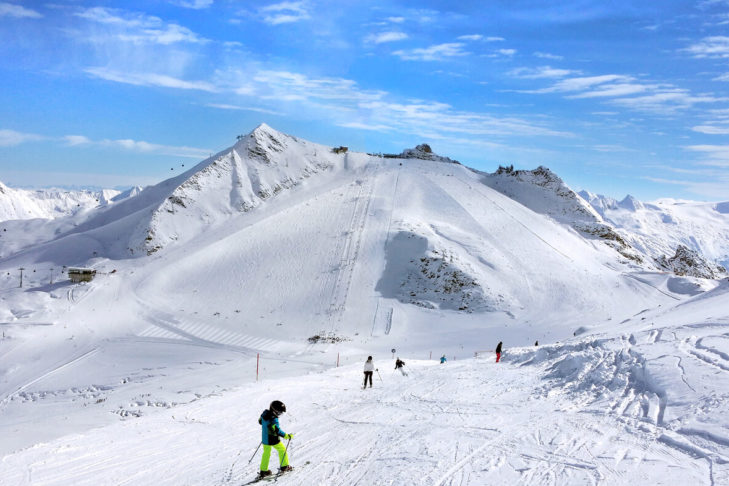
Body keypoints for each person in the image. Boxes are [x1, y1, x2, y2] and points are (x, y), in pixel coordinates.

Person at [258, 400, 293, 478]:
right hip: (272, 439)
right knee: (282, 450)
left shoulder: (264, 414)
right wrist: (287, 436)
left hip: (264, 438)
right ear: (274, 410)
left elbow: (260, 421)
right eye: (279, 412)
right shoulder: (274, 419)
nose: (279, 414)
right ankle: (284, 466)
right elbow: (277, 431)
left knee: (266, 453)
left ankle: (263, 471)